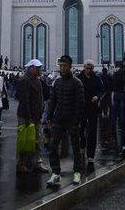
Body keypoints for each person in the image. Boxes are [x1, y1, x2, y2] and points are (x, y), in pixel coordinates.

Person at [46, 55, 85, 187]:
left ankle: (77, 172)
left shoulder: (77, 83)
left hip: (71, 121)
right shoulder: (57, 82)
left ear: (70, 67)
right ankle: (56, 173)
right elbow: (52, 102)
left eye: (64, 66)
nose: (62, 68)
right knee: (52, 146)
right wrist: (49, 118)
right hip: (59, 120)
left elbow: (80, 105)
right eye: (61, 65)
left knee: (75, 147)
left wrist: (76, 121)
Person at [16, 59, 49, 173]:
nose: (40, 69)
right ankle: (21, 163)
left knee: (36, 140)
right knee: (25, 140)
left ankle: (37, 162)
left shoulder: (37, 80)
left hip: (36, 116)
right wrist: (28, 118)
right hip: (27, 117)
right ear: (32, 68)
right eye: (38, 67)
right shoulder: (24, 80)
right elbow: (24, 101)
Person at [77, 59, 105, 171]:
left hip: (93, 107)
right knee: (80, 128)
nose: (89, 70)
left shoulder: (96, 78)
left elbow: (101, 90)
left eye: (91, 68)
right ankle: (82, 143)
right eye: (87, 68)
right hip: (82, 107)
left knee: (92, 131)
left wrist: (97, 97)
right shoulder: (79, 78)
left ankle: (90, 156)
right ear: (84, 67)